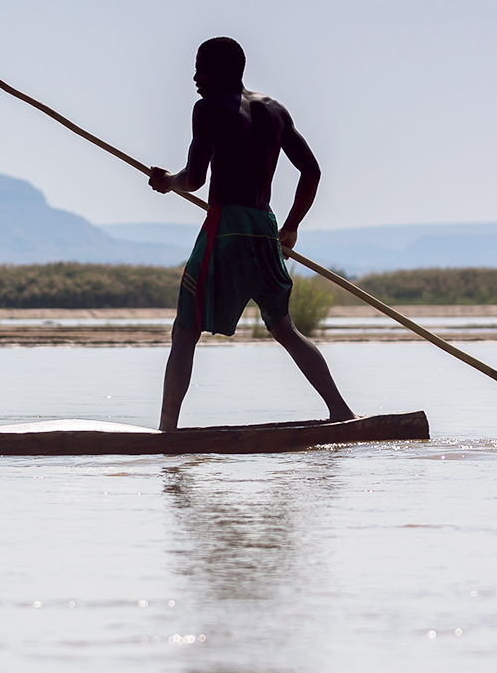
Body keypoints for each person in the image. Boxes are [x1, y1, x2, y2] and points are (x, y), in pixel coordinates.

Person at [148, 37, 354, 431]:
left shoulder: (207, 109)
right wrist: (291, 226)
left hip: (226, 229)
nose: (194, 78)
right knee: (284, 327)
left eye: (200, 68)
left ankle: (166, 433)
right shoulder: (274, 110)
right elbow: (311, 171)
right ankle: (341, 413)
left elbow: (193, 179)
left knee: (185, 329)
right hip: (264, 228)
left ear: (220, 71)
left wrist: (167, 182)